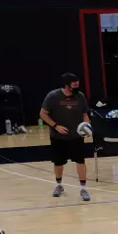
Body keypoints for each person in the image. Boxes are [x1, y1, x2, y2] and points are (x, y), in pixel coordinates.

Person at [39, 73, 91, 202]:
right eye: (75, 84)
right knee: (58, 163)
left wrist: (87, 125)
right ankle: (59, 185)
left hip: (76, 136)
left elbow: (85, 114)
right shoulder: (53, 96)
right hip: (58, 136)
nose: (77, 86)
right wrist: (56, 126)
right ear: (67, 85)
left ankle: (83, 188)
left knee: (80, 161)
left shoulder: (80, 97)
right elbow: (43, 114)